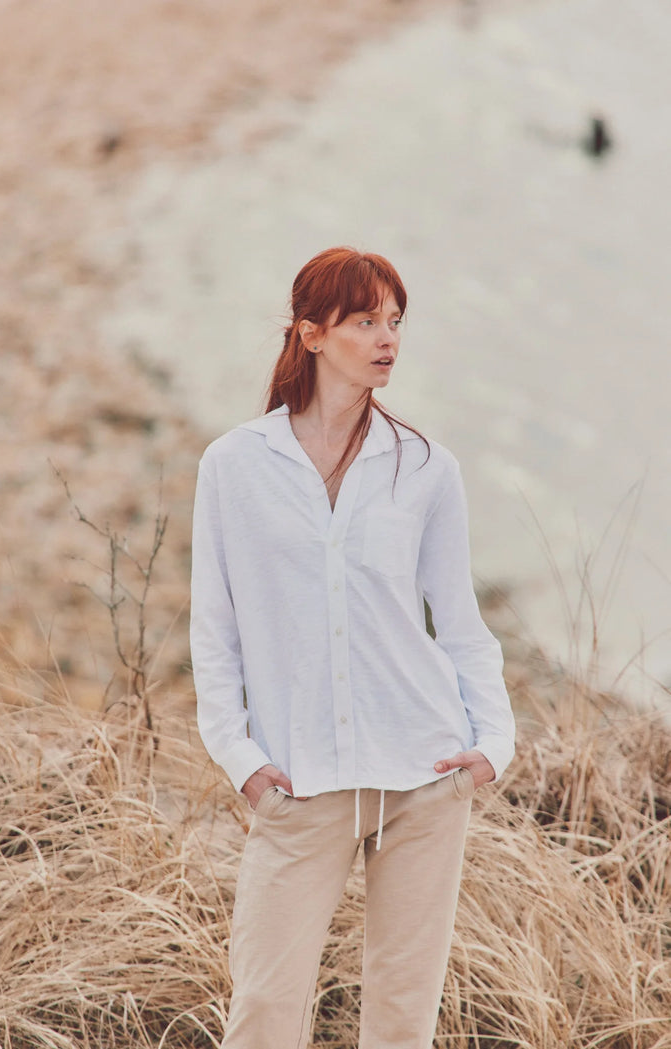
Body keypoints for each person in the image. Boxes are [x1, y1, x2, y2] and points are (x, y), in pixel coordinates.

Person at [190, 246, 516, 1049]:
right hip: (300, 780)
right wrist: (239, 756)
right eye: (366, 320)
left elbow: (461, 623)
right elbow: (214, 630)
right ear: (311, 332)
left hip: (425, 775)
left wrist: (492, 745)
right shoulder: (235, 466)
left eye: (395, 321)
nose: (387, 338)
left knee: (402, 1021)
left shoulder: (427, 468)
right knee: (265, 1011)